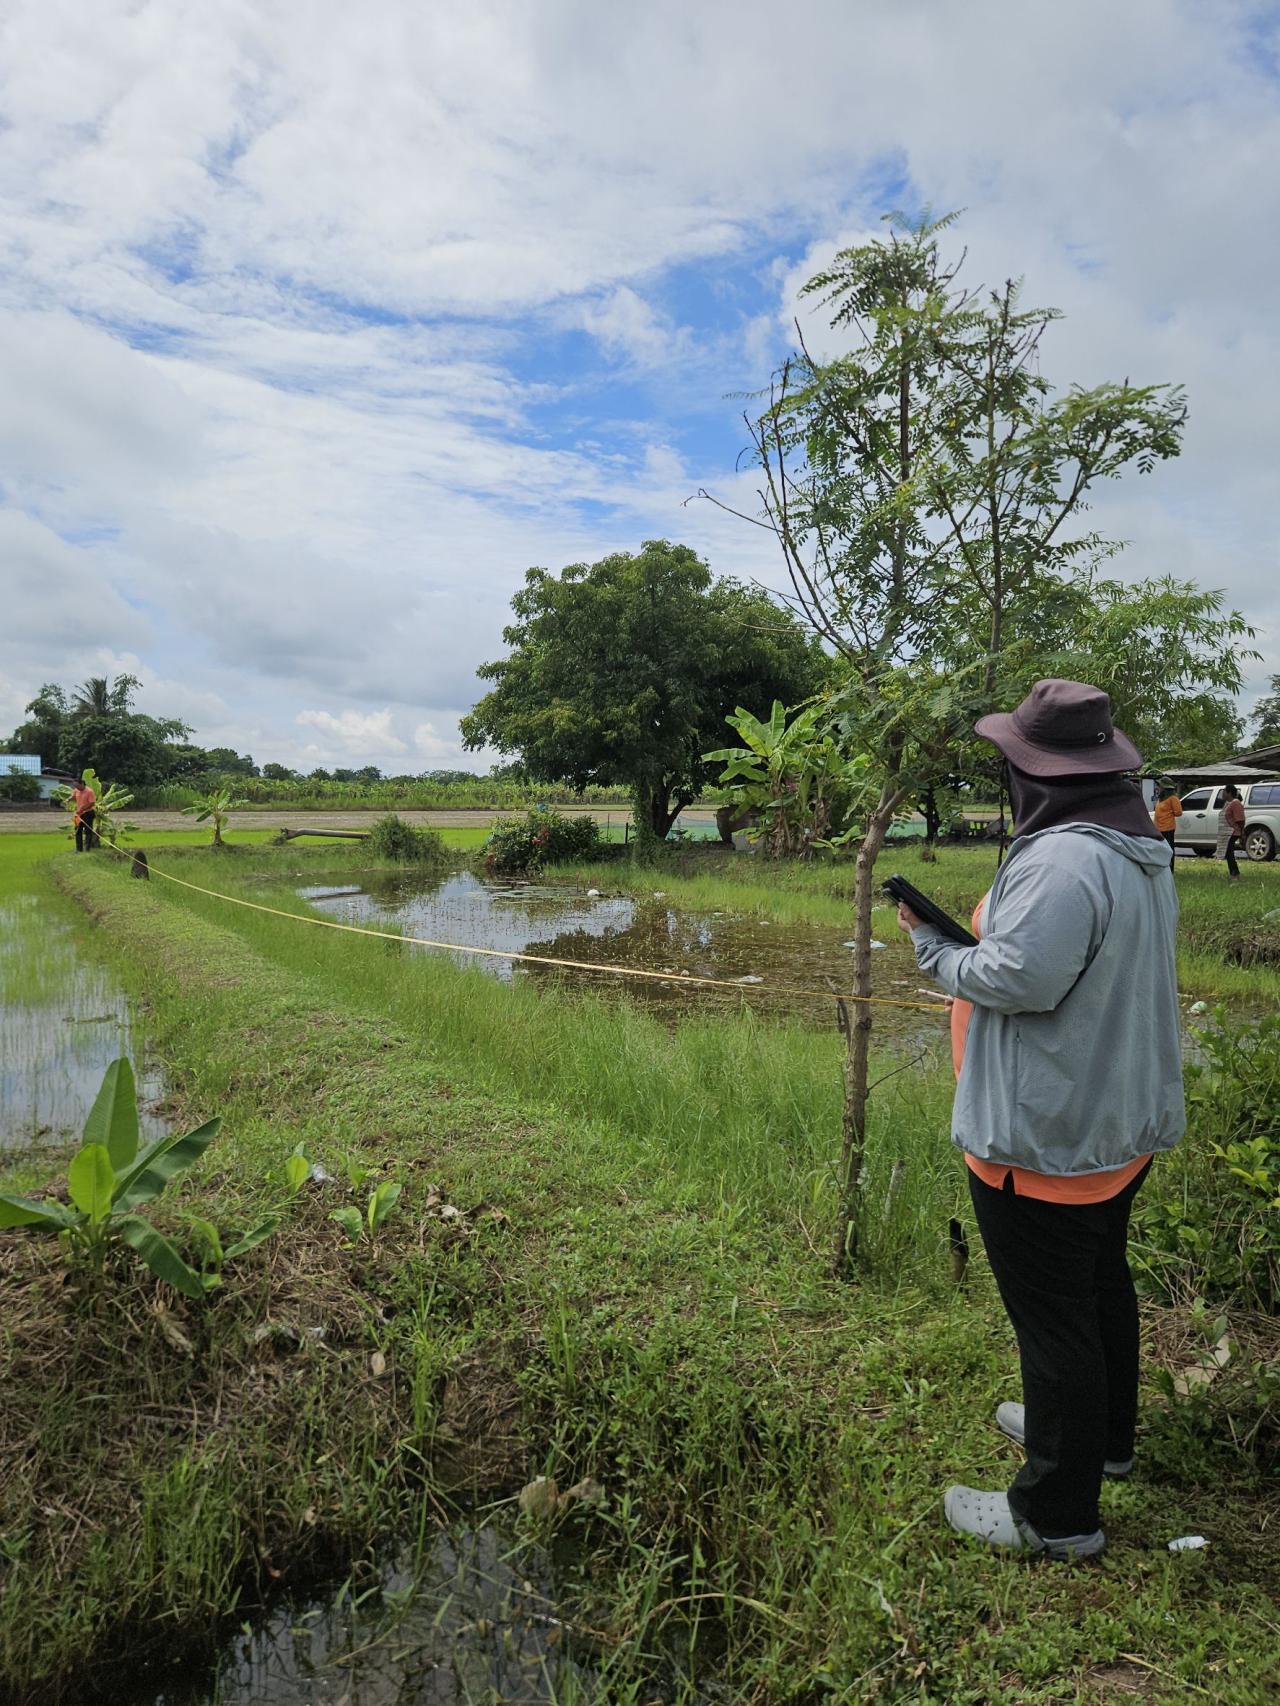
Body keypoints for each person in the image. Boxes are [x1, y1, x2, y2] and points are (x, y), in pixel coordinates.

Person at [897, 679, 1184, 1560]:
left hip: (1047, 1136)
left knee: (1053, 1322)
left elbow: (1018, 979)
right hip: (1110, 1122)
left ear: (1040, 774)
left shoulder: (1063, 860)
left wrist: (935, 950)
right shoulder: (1136, 848)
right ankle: (1102, 1440)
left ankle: (1056, 1514)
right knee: (1098, 1288)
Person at [1216, 784, 1245, 880]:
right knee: (1228, 853)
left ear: (1229, 793)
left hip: (1233, 832)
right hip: (1227, 833)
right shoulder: (1228, 803)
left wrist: (1241, 833)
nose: (1222, 794)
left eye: (1224, 791)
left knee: (1229, 853)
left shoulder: (1235, 803)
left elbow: (1240, 819)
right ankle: (1234, 873)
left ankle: (1235, 874)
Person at [1151, 783, 1182, 856]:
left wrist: (1168, 814)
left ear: (1165, 788)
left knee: (1168, 849)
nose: (1158, 788)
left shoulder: (1173, 798)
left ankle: (1170, 866)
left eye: (1160, 787)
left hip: (1168, 828)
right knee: (1160, 849)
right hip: (1158, 828)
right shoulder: (1161, 798)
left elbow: (1178, 812)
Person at [71, 776, 97, 852]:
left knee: (88, 831)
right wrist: (68, 799)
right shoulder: (76, 790)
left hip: (88, 813)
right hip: (78, 815)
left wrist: (83, 809)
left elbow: (92, 803)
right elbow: (73, 797)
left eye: (77, 786)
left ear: (82, 783)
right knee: (77, 831)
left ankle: (87, 849)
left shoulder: (89, 791)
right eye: (75, 786)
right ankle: (79, 849)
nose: (76, 788)